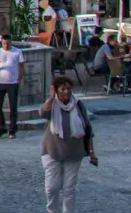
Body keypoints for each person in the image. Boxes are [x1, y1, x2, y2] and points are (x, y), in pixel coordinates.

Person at [39, 76, 95, 213]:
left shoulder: (78, 104)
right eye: (62, 89)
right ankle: (52, 211)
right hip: (52, 150)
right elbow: (42, 113)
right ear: (57, 90)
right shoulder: (52, 105)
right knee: (52, 187)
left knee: (69, 188)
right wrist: (52, 97)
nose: (66, 92)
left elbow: (88, 128)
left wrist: (92, 152)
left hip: (74, 152)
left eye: (68, 89)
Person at [0, 33, 23, 138]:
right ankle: (2, 127)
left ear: (11, 42)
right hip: (0, 82)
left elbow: (22, 66)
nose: (6, 45)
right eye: (4, 43)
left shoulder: (17, 52)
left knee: (13, 107)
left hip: (13, 83)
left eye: (7, 43)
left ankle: (12, 130)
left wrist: (19, 79)